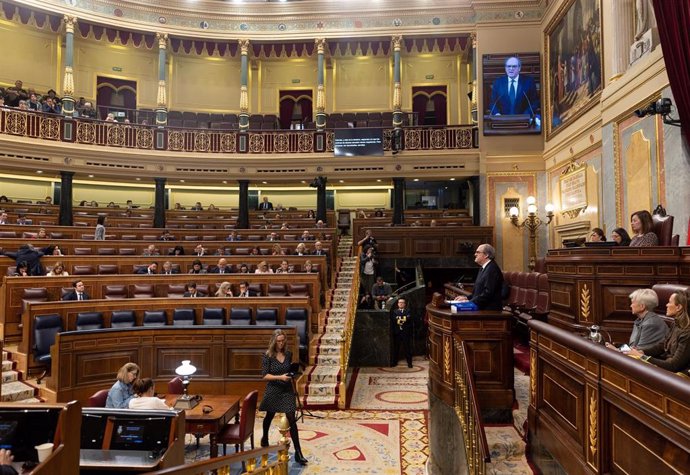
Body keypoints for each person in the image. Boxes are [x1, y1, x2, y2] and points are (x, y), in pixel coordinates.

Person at [259, 329, 308, 465]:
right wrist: (280, 377)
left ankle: (298, 452)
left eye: (282, 341)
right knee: (269, 415)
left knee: (292, 419)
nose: (280, 343)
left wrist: (291, 374)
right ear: (274, 341)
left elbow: (288, 370)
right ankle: (264, 437)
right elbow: (265, 375)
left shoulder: (288, 354)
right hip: (273, 389)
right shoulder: (267, 356)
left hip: (286, 390)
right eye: (278, 341)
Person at [625, 290, 690, 372]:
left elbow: (674, 365)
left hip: (680, 376)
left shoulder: (687, 332)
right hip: (667, 367)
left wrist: (642, 357)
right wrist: (642, 352)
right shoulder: (675, 323)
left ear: (678, 307)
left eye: (669, 302)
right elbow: (662, 346)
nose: (666, 305)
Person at [607, 288, 668, 352]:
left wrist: (617, 351)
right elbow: (633, 346)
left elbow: (639, 352)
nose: (630, 306)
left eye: (632, 303)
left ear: (642, 306)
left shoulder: (650, 324)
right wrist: (617, 349)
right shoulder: (640, 320)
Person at [489, 56, 540, 121]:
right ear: (505, 68)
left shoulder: (529, 82)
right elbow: (493, 103)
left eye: (514, 66)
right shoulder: (498, 82)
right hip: (502, 121)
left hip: (524, 121)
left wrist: (525, 115)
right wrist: (497, 114)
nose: (511, 69)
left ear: (519, 68)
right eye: (509, 66)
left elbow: (534, 102)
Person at [454, 243, 504, 310]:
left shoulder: (492, 269)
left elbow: (488, 293)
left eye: (478, 252)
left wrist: (469, 302)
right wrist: (467, 298)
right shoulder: (483, 268)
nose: (475, 254)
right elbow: (477, 292)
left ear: (486, 255)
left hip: (489, 310)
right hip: (481, 306)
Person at [391, 298, 414, 368]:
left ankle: (409, 363)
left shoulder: (408, 311)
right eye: (399, 302)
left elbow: (408, 319)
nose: (401, 303)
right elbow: (394, 320)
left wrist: (399, 319)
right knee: (396, 348)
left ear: (404, 304)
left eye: (402, 302)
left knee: (407, 348)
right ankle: (394, 362)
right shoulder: (394, 311)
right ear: (398, 304)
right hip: (397, 333)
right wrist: (403, 318)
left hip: (405, 332)